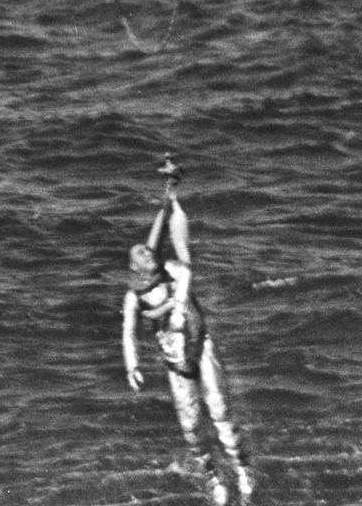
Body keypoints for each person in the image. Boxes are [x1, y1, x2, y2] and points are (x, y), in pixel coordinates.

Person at [122, 161, 254, 503]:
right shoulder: (134, 294)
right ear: (136, 269)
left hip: (199, 345)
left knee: (220, 410)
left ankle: (241, 470)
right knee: (192, 428)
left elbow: (180, 267)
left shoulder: (170, 269)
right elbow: (128, 332)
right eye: (144, 259)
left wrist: (169, 196)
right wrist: (131, 364)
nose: (151, 258)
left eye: (151, 256)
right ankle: (214, 479)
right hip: (174, 361)